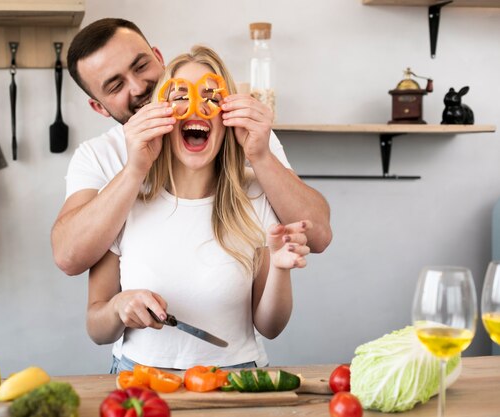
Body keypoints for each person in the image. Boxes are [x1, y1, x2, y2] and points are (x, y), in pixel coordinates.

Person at [51, 18, 332, 278]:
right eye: (115, 86)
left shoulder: (239, 131)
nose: (138, 87)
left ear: (159, 58)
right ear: (99, 107)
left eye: (140, 66)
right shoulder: (98, 155)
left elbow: (318, 235)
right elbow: (68, 257)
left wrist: (261, 156)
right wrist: (133, 171)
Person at [87, 45, 311, 371]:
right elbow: (96, 329)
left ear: (229, 115)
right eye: (179, 97)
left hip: (235, 381)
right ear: (160, 114)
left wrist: (280, 267)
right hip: (140, 381)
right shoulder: (124, 197)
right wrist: (118, 307)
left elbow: (271, 327)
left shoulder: (256, 195)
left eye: (211, 97)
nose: (196, 108)